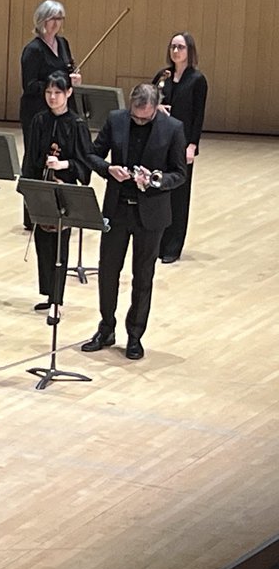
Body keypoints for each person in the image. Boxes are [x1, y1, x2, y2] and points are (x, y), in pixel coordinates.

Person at [80, 84, 187, 361]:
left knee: (143, 276)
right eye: (135, 116)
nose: (138, 120)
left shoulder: (173, 128)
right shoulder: (117, 119)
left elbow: (179, 173)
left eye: (145, 117)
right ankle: (106, 328)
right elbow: (92, 155)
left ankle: (135, 335)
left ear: (155, 108)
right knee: (108, 271)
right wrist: (107, 169)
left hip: (150, 214)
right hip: (117, 210)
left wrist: (156, 179)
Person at [22, 72, 92, 323]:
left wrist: (63, 165)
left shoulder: (77, 125)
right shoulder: (39, 120)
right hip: (42, 189)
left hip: (64, 191)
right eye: (49, 92)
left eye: (58, 93)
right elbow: (31, 156)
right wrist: (27, 188)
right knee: (43, 244)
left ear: (69, 93)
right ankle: (49, 293)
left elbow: (84, 164)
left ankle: (57, 301)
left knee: (60, 247)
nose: (52, 97)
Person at [153, 32, 207, 263]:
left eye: (181, 47)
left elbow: (198, 116)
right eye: (173, 46)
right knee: (158, 192)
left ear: (189, 51)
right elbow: (147, 101)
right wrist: (157, 107)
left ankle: (173, 246)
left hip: (182, 143)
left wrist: (192, 145)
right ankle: (158, 242)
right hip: (160, 141)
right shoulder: (162, 76)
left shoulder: (197, 80)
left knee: (179, 195)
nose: (176, 51)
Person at [19, 0, 82, 146]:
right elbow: (30, 85)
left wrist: (73, 78)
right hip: (37, 110)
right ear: (42, 20)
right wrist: (58, 85)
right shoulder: (33, 50)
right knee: (37, 154)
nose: (56, 23)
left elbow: (68, 69)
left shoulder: (63, 43)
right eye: (52, 19)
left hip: (60, 109)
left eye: (59, 19)